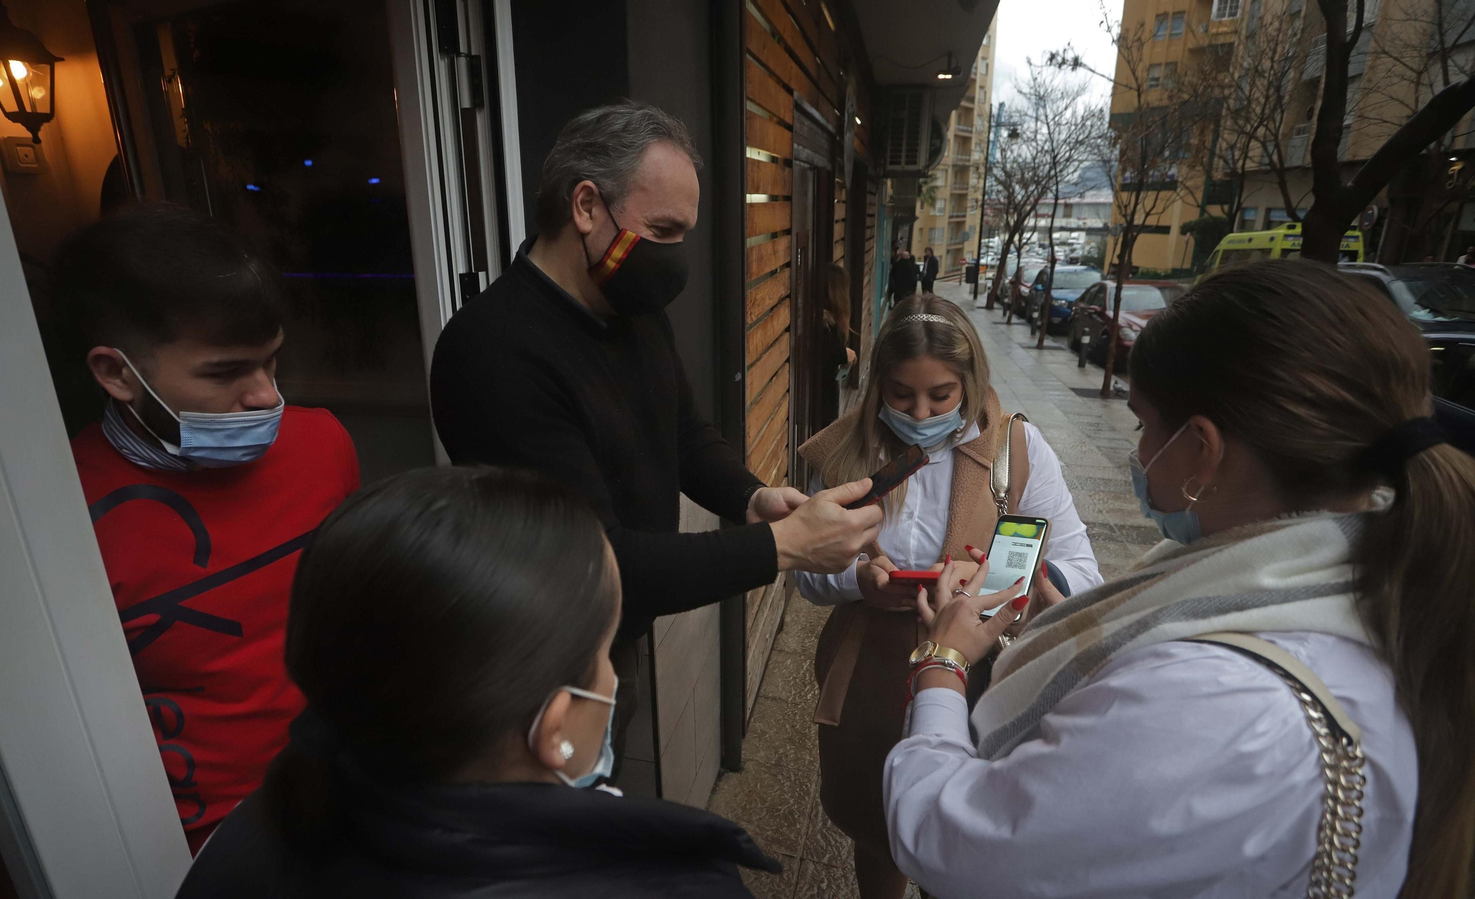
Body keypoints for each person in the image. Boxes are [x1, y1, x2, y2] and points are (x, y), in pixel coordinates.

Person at [885, 258, 1474, 898]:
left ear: (1202, 447)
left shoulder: (1213, 702)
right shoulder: (1392, 578)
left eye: (1142, 424)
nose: (1137, 453)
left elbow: (953, 840)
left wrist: (941, 661)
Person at [430, 102, 882, 771]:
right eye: (662, 229)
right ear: (586, 205)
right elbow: (598, 563)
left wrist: (755, 499)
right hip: (542, 669)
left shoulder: (630, 308)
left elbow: (684, 431)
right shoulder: (494, 352)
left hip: (618, 642)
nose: (673, 259)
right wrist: (781, 546)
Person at [176, 467, 780, 897]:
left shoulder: (244, 839)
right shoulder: (677, 884)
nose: (616, 677)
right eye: (604, 651)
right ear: (557, 730)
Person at [57, 205, 360, 853]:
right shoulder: (59, 512)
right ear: (116, 373)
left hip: (349, 787)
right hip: (195, 838)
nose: (265, 397)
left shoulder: (322, 442)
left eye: (270, 363)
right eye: (225, 372)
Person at [794, 294, 1100, 899]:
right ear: (878, 383)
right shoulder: (845, 452)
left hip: (983, 670)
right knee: (877, 825)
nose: (920, 411)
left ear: (972, 380)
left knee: (965, 836)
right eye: (901, 395)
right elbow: (805, 571)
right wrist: (859, 581)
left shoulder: (1017, 449)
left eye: (941, 395)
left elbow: (1079, 565)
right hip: (870, 671)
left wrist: (1027, 588)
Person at [818, 263, 857, 431]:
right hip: (820, 400)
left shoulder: (826, 318)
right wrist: (843, 354)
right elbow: (822, 354)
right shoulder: (824, 323)